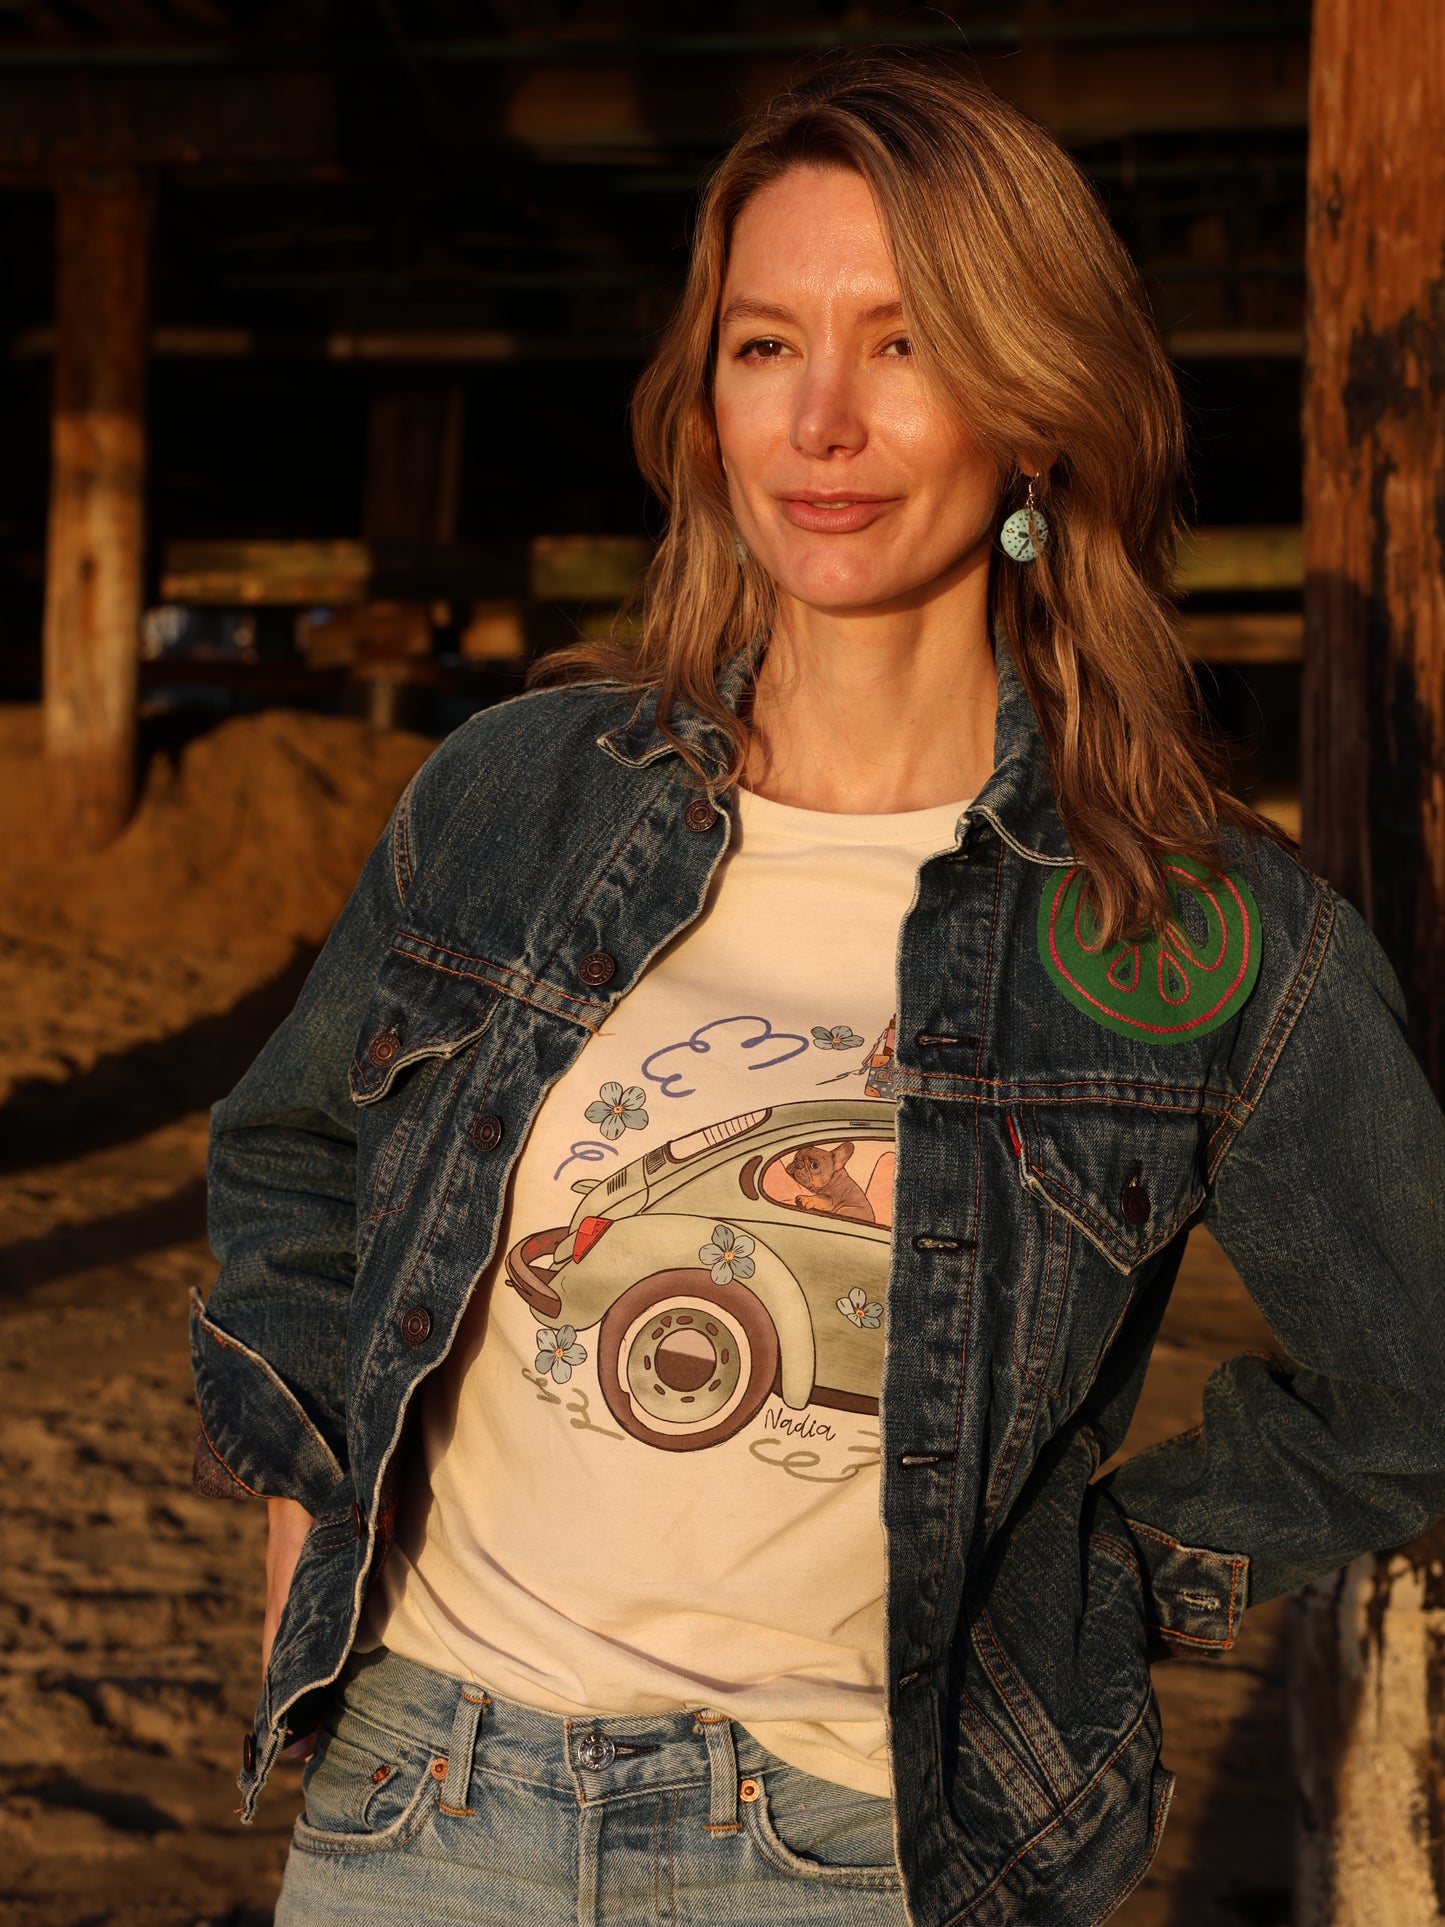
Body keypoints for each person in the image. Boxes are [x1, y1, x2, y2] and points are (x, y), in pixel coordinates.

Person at [191, 52, 1445, 1927]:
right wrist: (300, 1457)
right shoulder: (521, 791)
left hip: (859, 1850)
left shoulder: (1201, 933)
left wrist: (1100, 1581)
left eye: (905, 344)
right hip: (425, 1788)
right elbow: (293, 1146)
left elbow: (1408, 1378)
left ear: (1038, 416)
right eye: (768, 346)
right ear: (705, 403)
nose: (824, 421)